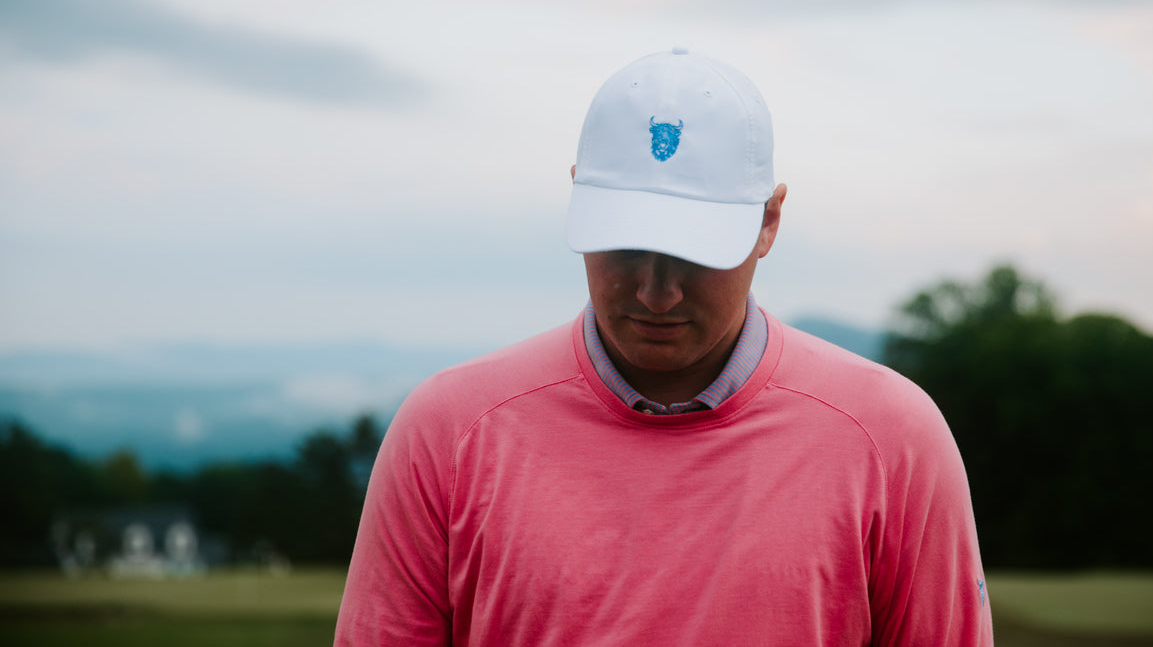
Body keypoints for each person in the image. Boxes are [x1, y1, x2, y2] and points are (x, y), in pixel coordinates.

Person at [335, 49, 994, 645]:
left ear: (769, 221)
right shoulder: (448, 432)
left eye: (693, 252)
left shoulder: (891, 438)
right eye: (624, 244)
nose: (656, 291)